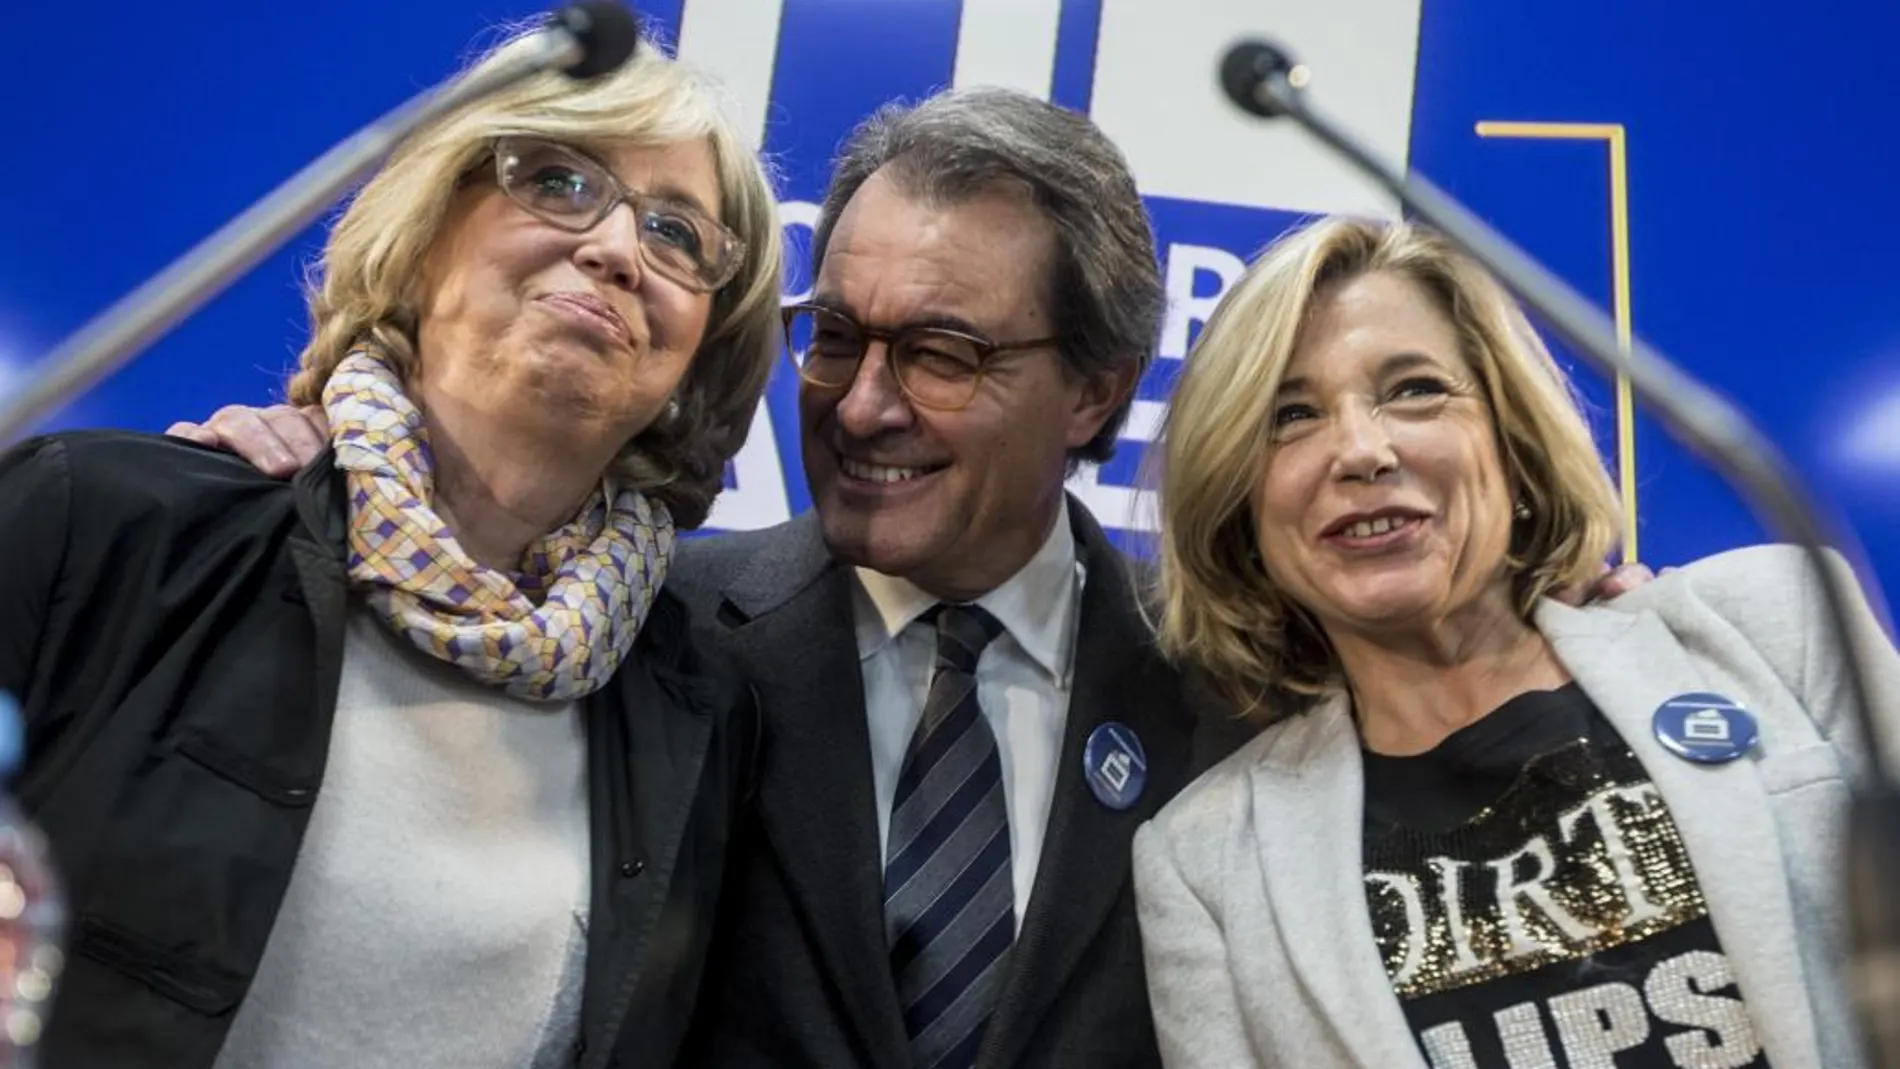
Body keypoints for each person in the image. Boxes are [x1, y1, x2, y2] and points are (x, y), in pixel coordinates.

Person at [167, 92, 1654, 1069]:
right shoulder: (629, 631)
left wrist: (1561, 622)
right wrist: (313, 468)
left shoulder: (1250, 688)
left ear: (1095, 392)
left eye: (944, 353)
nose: (862, 405)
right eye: (840, 338)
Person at [0, 22, 783, 1069]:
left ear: (697, 357)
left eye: (679, 235)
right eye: (557, 181)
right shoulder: (106, 524)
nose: (613, 249)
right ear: (423, 241)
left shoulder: (693, 712)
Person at [1133, 215, 1900, 1068]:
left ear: (1512, 438)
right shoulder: (1205, 862)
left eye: (1414, 389)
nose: (1360, 449)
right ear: (1240, 508)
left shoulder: (1771, 624)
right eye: (1290, 415)